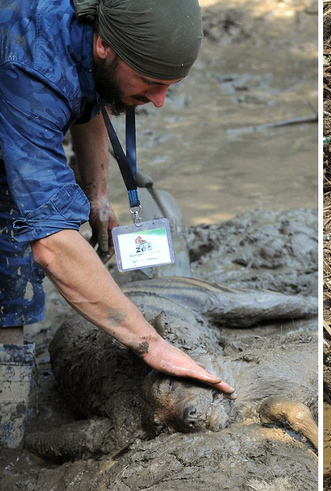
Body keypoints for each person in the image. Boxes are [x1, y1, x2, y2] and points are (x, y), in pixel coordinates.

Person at [0, 0, 235, 447]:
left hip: (20, 111)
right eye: (150, 82)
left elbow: (87, 101)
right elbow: (52, 244)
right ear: (105, 44)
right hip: (11, 94)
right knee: (14, 274)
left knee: (14, 283)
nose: (160, 100)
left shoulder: (93, 39)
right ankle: (7, 437)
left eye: (170, 86)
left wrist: (97, 193)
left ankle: (6, 424)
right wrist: (150, 344)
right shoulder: (31, 68)